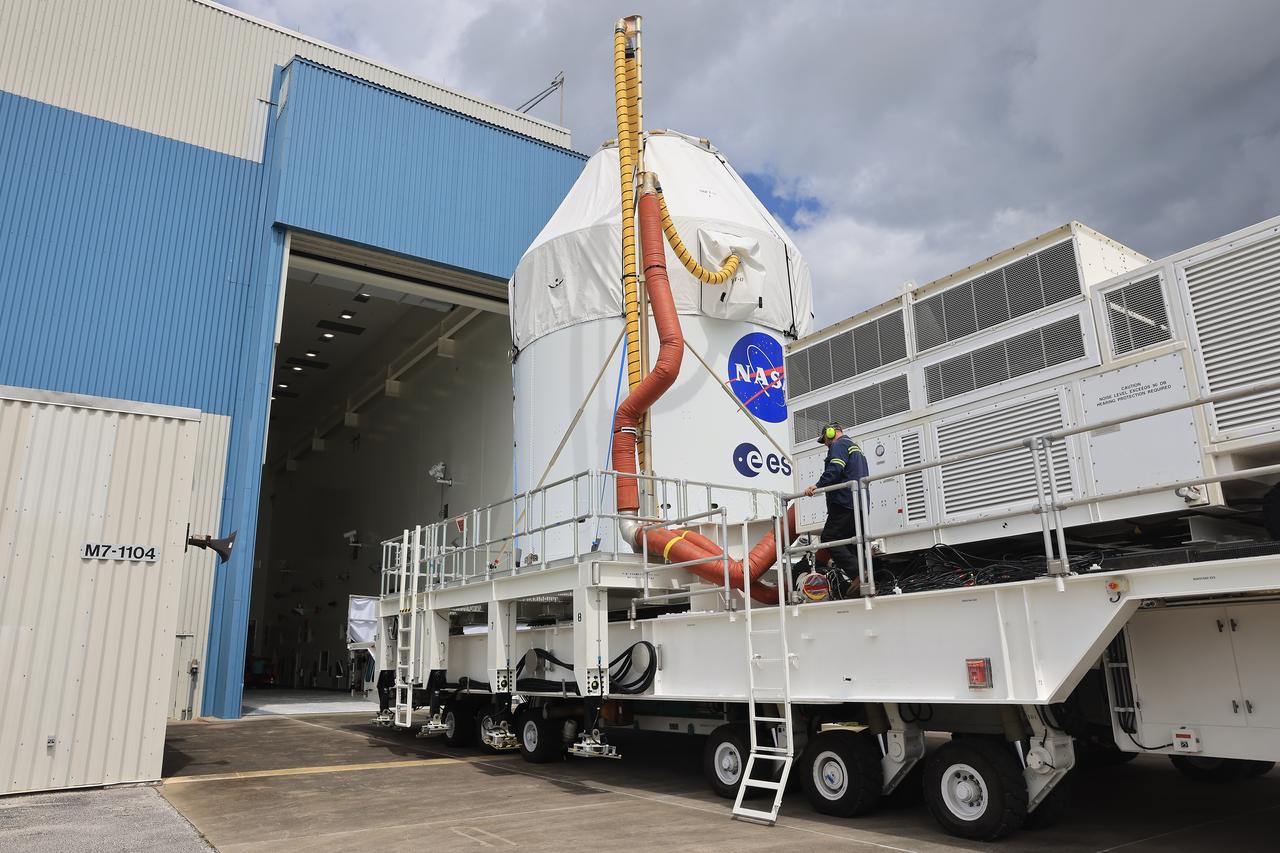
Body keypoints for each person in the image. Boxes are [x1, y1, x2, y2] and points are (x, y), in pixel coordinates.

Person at [804, 422, 869, 595]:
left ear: (831, 433)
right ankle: (865, 576)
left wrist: (817, 486)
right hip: (859, 503)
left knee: (829, 537)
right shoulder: (856, 448)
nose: (825, 443)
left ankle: (857, 574)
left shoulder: (839, 445)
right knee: (852, 543)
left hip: (844, 501)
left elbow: (835, 469)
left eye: (824, 439)